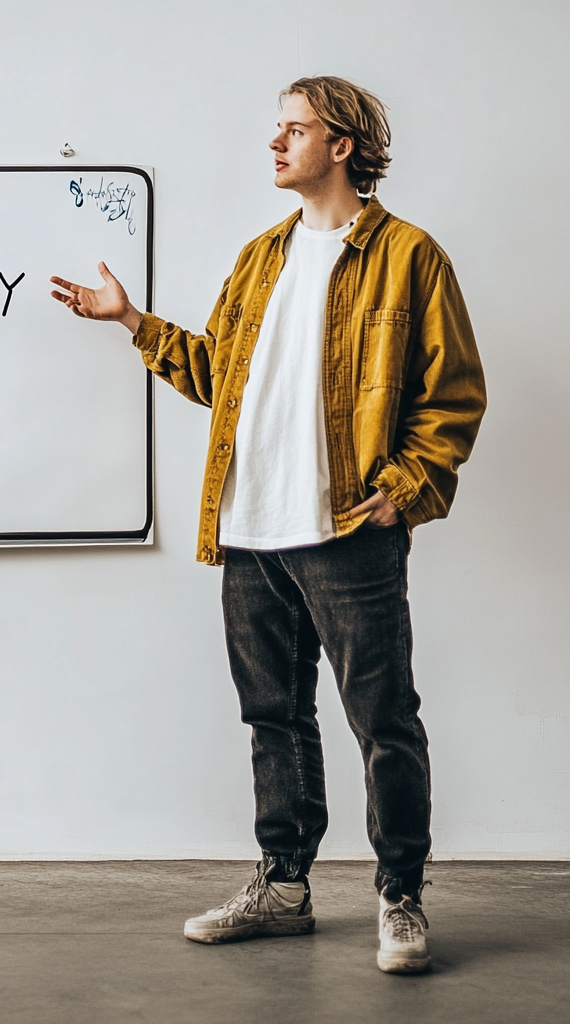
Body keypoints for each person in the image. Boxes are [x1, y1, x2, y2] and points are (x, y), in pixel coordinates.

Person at [50, 76, 486, 974]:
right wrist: (132, 321)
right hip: (250, 526)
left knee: (383, 718)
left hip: (347, 530)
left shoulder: (411, 257)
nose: (276, 144)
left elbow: (453, 395)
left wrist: (407, 487)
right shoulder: (260, 258)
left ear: (344, 144)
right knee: (274, 717)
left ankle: (400, 896)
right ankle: (283, 888)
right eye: (276, 129)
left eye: (295, 129)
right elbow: (223, 375)